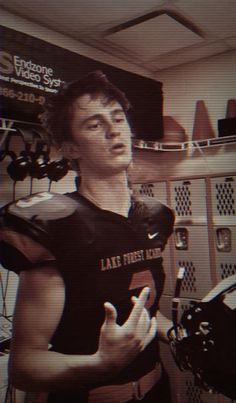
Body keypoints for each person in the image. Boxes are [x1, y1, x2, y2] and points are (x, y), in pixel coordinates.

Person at [0, 71, 175, 403]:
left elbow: (142, 311)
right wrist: (100, 364)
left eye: (118, 118)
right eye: (94, 125)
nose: (113, 130)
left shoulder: (155, 216)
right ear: (70, 148)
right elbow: (24, 365)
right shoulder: (56, 225)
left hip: (157, 389)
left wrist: (177, 334)